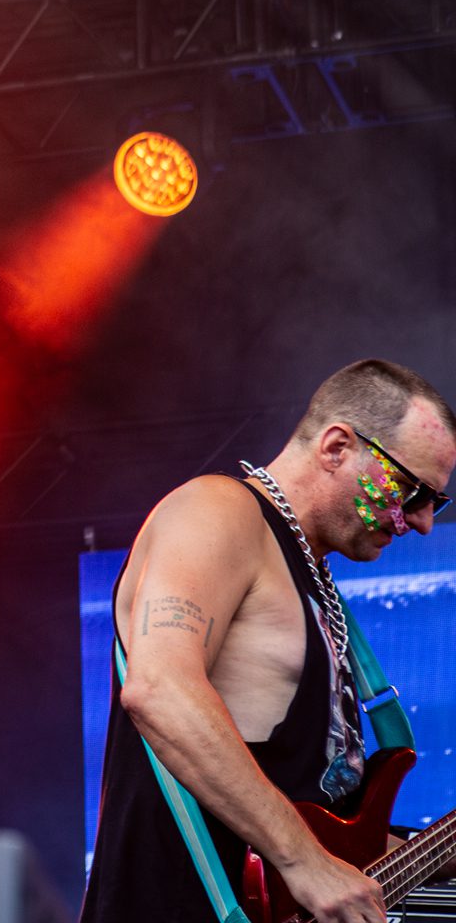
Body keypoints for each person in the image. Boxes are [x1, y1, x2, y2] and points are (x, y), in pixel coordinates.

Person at [81, 359, 456, 923]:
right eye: (413, 490)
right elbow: (158, 689)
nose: (423, 521)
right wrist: (307, 863)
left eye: (437, 503)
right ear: (336, 447)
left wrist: (415, 858)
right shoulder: (217, 510)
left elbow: (311, 819)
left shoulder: (316, 578)